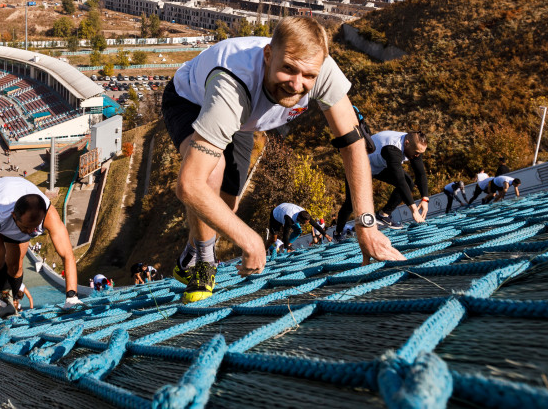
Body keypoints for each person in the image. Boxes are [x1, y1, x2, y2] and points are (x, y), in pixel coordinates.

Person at [161, 17, 404, 303]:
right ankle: (203, 261)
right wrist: (250, 240)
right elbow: (190, 184)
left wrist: (366, 226)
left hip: (245, 119)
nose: (297, 84)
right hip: (193, 99)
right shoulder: (231, 84)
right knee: (211, 176)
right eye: (288, 69)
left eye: (308, 76)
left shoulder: (321, 69)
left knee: (228, 205)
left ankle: (189, 254)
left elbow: (353, 144)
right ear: (268, 56)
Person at [0, 176, 81, 320]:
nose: (30, 232)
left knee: (15, 267)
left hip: (15, 215)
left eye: (35, 227)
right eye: (27, 227)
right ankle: (4, 290)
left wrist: (72, 296)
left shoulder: (49, 215)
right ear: (14, 216)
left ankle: (13, 296)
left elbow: (67, 255)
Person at [335, 130, 429, 235]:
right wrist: (414, 211)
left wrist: (425, 198)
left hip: (378, 166)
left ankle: (384, 214)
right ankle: (338, 232)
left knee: (409, 183)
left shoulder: (413, 145)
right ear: (407, 143)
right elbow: (400, 181)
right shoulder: (392, 149)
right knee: (350, 203)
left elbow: (420, 173)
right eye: (416, 152)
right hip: (358, 166)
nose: (417, 155)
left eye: (420, 153)